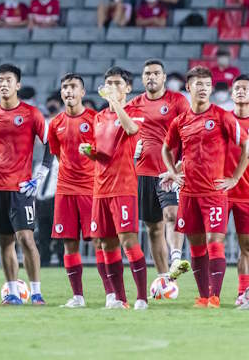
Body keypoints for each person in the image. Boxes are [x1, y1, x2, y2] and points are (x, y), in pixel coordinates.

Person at [161, 66, 245, 308]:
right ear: (189, 87)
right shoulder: (180, 121)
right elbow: (167, 149)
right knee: (197, 248)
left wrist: (235, 178)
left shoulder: (223, 116)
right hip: (188, 193)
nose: (203, 89)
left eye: (207, 85)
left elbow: (246, 146)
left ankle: (215, 297)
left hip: (214, 193)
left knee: (214, 243)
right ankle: (203, 296)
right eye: (198, 84)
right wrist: (174, 171)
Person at [0, 64, 48, 305]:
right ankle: (13, 293)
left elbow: (50, 143)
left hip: (21, 188)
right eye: (0, 80)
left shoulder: (31, 114)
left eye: (8, 80)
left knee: (26, 238)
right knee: (4, 241)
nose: (3, 84)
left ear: (17, 85)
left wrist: (41, 174)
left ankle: (36, 293)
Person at [77, 67, 146, 310]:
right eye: (108, 83)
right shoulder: (98, 117)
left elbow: (131, 130)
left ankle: (141, 298)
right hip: (100, 188)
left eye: (117, 83)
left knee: (128, 241)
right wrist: (91, 153)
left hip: (124, 186)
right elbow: (104, 154)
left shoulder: (135, 112)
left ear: (128, 88)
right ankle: (119, 299)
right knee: (106, 244)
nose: (112, 87)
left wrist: (116, 103)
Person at [125, 60, 191, 285]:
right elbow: (121, 136)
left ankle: (175, 258)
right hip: (143, 171)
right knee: (153, 227)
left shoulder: (178, 101)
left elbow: (189, 133)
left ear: (163, 77)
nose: (151, 77)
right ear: (142, 79)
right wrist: (132, 153)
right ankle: (165, 279)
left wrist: (181, 165)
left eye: (155, 73)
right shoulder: (133, 105)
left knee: (172, 215)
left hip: (169, 171)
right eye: (147, 74)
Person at [47, 74, 97, 307]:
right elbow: (57, 154)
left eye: (73, 87)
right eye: (65, 87)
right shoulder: (55, 123)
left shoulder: (94, 119)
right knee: (69, 243)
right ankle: (77, 296)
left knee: (99, 242)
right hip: (65, 189)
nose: (68, 91)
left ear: (82, 92)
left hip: (90, 188)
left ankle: (111, 295)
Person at [225, 76, 249, 307]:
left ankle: (243, 292)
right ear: (231, 94)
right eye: (237, 88)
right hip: (221, 191)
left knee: (248, 246)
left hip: (248, 193)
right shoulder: (222, 121)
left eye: (245, 88)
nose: (241, 91)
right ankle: (209, 294)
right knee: (211, 243)